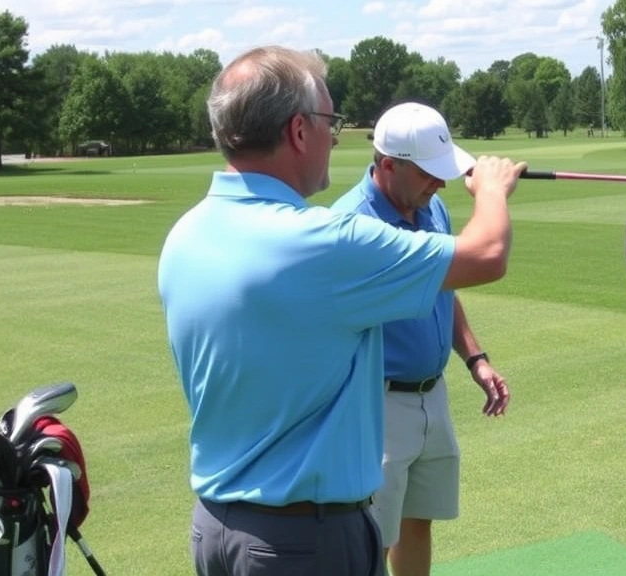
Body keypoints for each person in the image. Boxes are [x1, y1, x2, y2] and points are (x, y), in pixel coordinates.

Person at [157, 46, 526, 576]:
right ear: (299, 132)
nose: (334, 139)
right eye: (330, 123)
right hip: (303, 540)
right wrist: (491, 189)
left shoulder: (187, 233)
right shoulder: (324, 241)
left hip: (216, 527)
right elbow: (487, 255)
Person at [331, 102, 510, 576]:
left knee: (417, 522)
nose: (440, 183)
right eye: (429, 173)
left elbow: (443, 290)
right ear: (388, 165)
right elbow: (489, 256)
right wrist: (492, 195)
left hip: (433, 394)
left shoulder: (431, 207)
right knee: (372, 536)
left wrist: (475, 357)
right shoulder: (353, 227)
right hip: (378, 404)